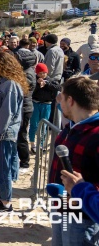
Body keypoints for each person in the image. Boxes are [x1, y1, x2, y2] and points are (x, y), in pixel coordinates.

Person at [49, 77, 99, 244]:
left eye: (60, 97)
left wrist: (80, 189)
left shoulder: (96, 135)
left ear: (70, 100)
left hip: (83, 218)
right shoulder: (70, 128)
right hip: (61, 208)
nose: (58, 102)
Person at [0, 52, 28, 213]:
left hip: (3, 134)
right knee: (2, 168)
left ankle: (5, 202)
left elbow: (6, 112)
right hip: (1, 133)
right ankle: (3, 198)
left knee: (3, 170)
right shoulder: (6, 83)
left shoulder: (10, 85)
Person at [14, 48, 36, 172]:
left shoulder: (28, 73)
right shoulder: (23, 71)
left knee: (21, 135)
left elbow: (22, 90)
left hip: (24, 107)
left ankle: (25, 162)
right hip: (22, 106)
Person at [30, 63, 60, 152]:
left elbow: (58, 87)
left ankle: (41, 144)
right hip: (35, 103)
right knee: (34, 124)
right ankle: (32, 143)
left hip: (47, 104)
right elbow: (31, 90)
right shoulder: (34, 80)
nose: (42, 75)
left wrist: (46, 83)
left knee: (44, 125)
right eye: (40, 73)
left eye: (44, 73)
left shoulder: (51, 80)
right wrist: (38, 85)